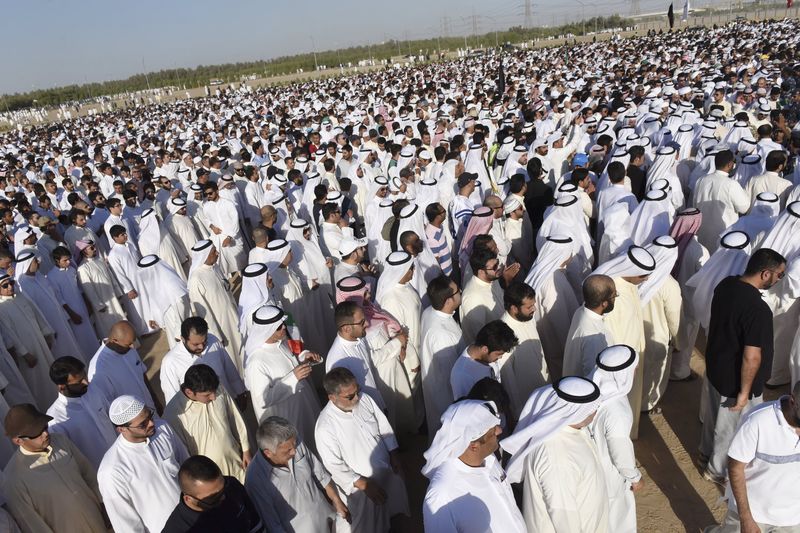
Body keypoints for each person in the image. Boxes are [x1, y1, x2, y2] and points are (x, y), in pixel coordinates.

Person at [700, 248, 786, 483]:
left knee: (714, 417)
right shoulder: (758, 310)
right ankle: (717, 470)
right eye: (780, 275)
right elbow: (752, 357)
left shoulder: (726, 284)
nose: (780, 280)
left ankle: (706, 453)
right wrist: (745, 393)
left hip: (716, 366)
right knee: (731, 428)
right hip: (736, 380)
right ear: (766, 274)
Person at [501, 376, 608, 532]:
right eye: (592, 407)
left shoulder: (572, 431)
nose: (596, 410)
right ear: (576, 412)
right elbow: (564, 516)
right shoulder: (556, 455)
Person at [315, 367, 409, 532]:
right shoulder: (325, 427)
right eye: (350, 396)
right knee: (365, 525)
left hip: (386, 472)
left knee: (392, 513)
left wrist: (394, 454)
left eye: (357, 391)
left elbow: (383, 426)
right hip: (361, 489)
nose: (357, 398)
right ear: (332, 397)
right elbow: (334, 465)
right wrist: (363, 484)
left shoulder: (365, 399)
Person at [704, 381, 800, 532]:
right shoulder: (758, 421)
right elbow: (735, 468)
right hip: (753, 513)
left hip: (793, 520)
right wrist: (746, 518)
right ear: (792, 401)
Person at [422, 400, 526, 533]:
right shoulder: (441, 495)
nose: (499, 431)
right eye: (493, 431)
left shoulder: (489, 459)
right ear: (473, 445)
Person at [1, 404, 107, 533]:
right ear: (18, 441)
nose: (45, 434)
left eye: (45, 427)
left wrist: (106, 510)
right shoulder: (14, 479)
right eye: (37, 432)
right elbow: (33, 525)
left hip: (100, 523)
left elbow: (88, 474)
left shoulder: (61, 441)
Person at [98, 394, 189, 533]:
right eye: (142, 424)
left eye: (150, 416)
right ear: (121, 429)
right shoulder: (112, 470)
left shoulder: (162, 429)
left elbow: (187, 465)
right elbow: (125, 524)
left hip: (194, 518)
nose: (151, 423)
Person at [592, 244, 655, 439]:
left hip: (632, 355)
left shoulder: (628, 285)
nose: (646, 279)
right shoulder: (613, 293)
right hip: (621, 363)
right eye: (643, 276)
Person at [245, 416, 350, 532]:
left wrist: (336, 500)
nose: (295, 451)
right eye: (288, 451)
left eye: (294, 445)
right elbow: (273, 524)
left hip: (330, 520)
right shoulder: (255, 479)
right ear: (268, 453)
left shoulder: (293, 443)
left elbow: (320, 475)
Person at [244, 305, 322, 448]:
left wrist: (305, 356)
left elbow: (292, 359)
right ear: (267, 330)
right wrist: (293, 378)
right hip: (286, 415)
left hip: (303, 404)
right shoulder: (257, 362)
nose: (284, 329)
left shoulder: (281, 342)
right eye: (279, 327)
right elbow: (263, 399)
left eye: (283, 324)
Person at [164, 364, 252, 483]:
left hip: (239, 465)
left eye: (214, 392)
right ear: (189, 392)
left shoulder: (218, 388)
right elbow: (182, 454)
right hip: (211, 479)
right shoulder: (174, 414)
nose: (214, 397)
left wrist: (246, 450)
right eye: (207, 395)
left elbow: (234, 418)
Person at [589, 345, 643, 533]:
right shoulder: (617, 409)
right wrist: (634, 477)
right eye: (634, 369)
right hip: (610, 475)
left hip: (590, 469)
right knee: (617, 517)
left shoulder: (591, 388)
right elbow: (620, 451)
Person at [162, 454, 265, 533]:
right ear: (189, 499)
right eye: (214, 497)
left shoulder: (232, 486)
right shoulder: (178, 529)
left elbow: (256, 526)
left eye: (223, 488)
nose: (223, 497)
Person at [46, 356, 117, 469]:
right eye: (79, 382)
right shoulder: (56, 418)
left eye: (84, 376)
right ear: (62, 387)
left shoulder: (94, 390)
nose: (86, 382)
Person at [14, 249, 85, 361]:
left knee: (74, 348)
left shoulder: (39, 276)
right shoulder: (23, 285)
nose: (38, 263)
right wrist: (48, 331)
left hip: (61, 320)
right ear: (27, 264)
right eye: (35, 261)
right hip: (50, 326)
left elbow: (55, 297)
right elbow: (34, 312)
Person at [0, 273, 57, 410]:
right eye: (5, 285)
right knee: (38, 383)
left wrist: (46, 334)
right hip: (28, 353)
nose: (10, 287)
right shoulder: (1, 308)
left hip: (40, 344)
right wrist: (25, 354)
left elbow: (37, 315)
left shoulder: (21, 297)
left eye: (11, 283)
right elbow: (10, 335)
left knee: (51, 374)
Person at [160, 316, 247, 406]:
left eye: (204, 341)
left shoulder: (213, 340)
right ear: (183, 339)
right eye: (196, 344)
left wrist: (240, 392)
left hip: (228, 402)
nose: (201, 347)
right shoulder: (170, 362)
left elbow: (228, 368)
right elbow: (172, 397)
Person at [187, 239, 244, 371]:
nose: (217, 253)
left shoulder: (215, 267)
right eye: (214, 251)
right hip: (222, 326)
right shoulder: (197, 279)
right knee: (233, 356)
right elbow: (203, 313)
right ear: (205, 255)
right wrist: (216, 336)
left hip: (233, 317)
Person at [420, 275, 465, 437]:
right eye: (458, 292)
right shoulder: (442, 335)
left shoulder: (429, 311)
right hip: (446, 395)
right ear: (448, 301)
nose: (461, 293)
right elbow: (451, 374)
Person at [326, 299, 387, 411]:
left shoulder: (359, 338)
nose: (367, 324)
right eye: (362, 322)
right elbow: (344, 401)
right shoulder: (338, 359)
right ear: (346, 328)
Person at [499, 281, 548, 417]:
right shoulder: (504, 333)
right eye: (529, 307)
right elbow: (508, 378)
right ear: (514, 308)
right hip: (526, 403)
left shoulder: (527, 317)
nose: (534, 309)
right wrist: (517, 411)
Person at [87, 320, 157, 411]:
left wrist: (155, 399)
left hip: (150, 407)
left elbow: (142, 374)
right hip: (134, 420)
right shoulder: (99, 368)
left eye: (133, 342)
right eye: (129, 344)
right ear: (114, 341)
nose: (133, 347)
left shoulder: (128, 347)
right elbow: (105, 403)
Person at [693, 150, 750, 253]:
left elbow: (694, 204)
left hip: (702, 231)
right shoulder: (731, 184)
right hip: (722, 234)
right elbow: (744, 208)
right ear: (730, 164)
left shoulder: (700, 180)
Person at [47, 246, 99, 357]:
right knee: (81, 339)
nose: (68, 262)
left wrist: (88, 304)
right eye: (65, 260)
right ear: (57, 261)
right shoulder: (52, 276)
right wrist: (72, 314)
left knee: (91, 333)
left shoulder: (72, 269)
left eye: (69, 259)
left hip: (82, 306)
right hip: (71, 312)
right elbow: (60, 299)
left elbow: (80, 289)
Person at [563, 274, 617, 377]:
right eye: (614, 296)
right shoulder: (593, 336)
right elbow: (595, 375)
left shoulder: (581, 310)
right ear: (604, 303)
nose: (615, 299)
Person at [450, 320, 518, 400]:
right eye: (498, 354)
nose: (500, 358)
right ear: (485, 349)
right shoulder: (463, 375)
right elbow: (467, 408)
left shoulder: (487, 353)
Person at [135, 254, 190, 348]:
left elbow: (181, 305)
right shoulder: (156, 280)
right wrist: (153, 317)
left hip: (179, 326)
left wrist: (178, 333)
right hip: (170, 322)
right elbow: (156, 299)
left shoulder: (171, 283)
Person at [75, 239, 127, 337]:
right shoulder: (82, 268)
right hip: (103, 303)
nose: (95, 249)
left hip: (113, 297)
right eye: (92, 248)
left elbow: (111, 277)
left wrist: (118, 292)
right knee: (109, 327)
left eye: (94, 246)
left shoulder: (99, 260)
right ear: (84, 251)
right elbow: (88, 289)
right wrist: (98, 305)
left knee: (122, 320)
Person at [459, 248, 505, 344]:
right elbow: (480, 333)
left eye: (498, 263)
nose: (499, 268)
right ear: (481, 272)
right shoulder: (473, 297)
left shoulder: (492, 278)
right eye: (494, 267)